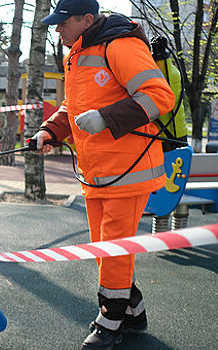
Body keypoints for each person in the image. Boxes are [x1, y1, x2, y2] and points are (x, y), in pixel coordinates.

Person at [35, 0, 175, 349]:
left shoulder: (120, 45)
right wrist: (50, 131)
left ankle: (110, 321)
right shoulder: (78, 54)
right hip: (98, 171)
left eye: (63, 22)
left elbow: (160, 96)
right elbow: (75, 106)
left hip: (128, 170)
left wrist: (106, 117)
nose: (57, 29)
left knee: (112, 247)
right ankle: (134, 311)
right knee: (105, 248)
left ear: (86, 19)